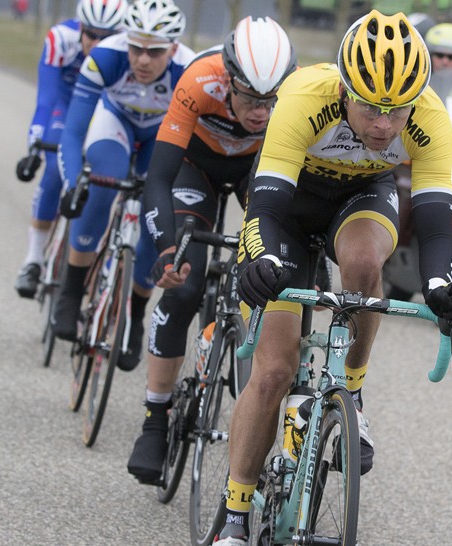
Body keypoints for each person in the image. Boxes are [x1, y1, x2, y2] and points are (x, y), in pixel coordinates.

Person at [213, 11, 452, 544]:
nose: (384, 125)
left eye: (397, 110)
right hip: (287, 209)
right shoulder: (305, 97)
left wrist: (442, 288)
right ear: (343, 87)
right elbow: (264, 208)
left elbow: (434, 226)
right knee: (274, 370)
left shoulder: (430, 117)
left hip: (361, 198)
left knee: (362, 264)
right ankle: (236, 514)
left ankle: (351, 391)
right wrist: (261, 262)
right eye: (370, 108)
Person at [124, 16, 297, 484]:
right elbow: (158, 177)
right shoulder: (200, 79)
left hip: (253, 174)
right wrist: (166, 250)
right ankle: (155, 419)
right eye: (249, 99)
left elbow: (297, 200)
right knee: (184, 286)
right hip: (193, 171)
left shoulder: (297, 98)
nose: (260, 112)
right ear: (229, 79)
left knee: (268, 277)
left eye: (271, 101)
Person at [50, 0, 195, 372]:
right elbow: (74, 130)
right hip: (114, 123)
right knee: (100, 187)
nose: (143, 61)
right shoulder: (104, 57)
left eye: (155, 51)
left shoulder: (189, 70)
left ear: (174, 48)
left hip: (161, 136)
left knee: (154, 217)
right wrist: (72, 183)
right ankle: (71, 289)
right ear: (125, 42)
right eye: (136, 49)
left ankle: (135, 313)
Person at [13, 0, 128, 299]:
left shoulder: (130, 51)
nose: (99, 43)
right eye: (91, 35)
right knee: (54, 169)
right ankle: (34, 259)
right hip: (64, 110)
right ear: (80, 29)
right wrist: (35, 146)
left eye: (107, 37)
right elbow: (47, 99)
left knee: (108, 183)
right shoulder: (59, 39)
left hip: (106, 113)